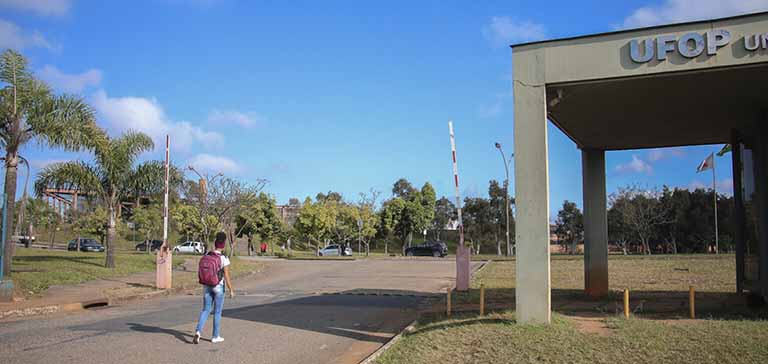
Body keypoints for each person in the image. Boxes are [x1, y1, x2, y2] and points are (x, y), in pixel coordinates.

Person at [193, 232, 234, 344]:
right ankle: (215, 336)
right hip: (218, 287)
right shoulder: (223, 258)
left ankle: (198, 332)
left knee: (205, 310)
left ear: (215, 244)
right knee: (217, 312)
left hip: (206, 286)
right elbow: (226, 275)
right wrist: (231, 290)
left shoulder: (207, 255)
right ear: (223, 245)